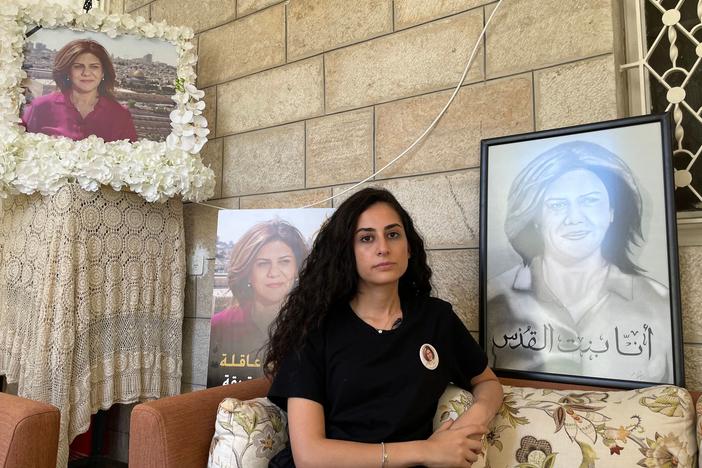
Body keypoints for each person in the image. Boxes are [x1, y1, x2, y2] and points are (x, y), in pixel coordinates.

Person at [265, 187, 503, 467]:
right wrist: (426, 451)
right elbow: (310, 455)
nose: (383, 248)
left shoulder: (436, 318)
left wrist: (472, 421)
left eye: (393, 234)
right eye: (366, 238)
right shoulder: (314, 327)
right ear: (346, 252)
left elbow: (487, 382)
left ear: (409, 246)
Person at [487, 141, 672, 383]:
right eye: (557, 205)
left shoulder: (658, 302)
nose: (574, 218)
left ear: (611, 212)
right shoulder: (495, 298)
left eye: (589, 201)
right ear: (536, 218)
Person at [208, 219, 308, 387]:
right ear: (248, 273)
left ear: (296, 269)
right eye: (263, 264)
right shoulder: (219, 326)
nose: (274, 273)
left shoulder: (314, 325)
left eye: (284, 261)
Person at [21, 39, 137, 142]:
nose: (86, 73)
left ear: (103, 73)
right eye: (78, 66)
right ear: (67, 72)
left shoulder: (119, 115)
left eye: (94, 67)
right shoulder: (40, 107)